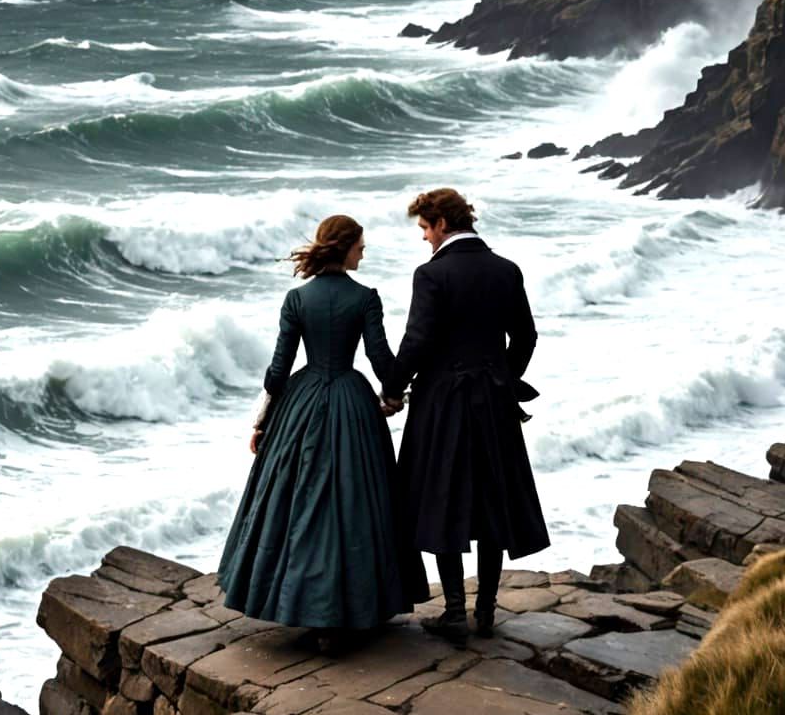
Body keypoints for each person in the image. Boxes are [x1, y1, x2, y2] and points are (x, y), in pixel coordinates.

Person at [217, 214, 427, 643]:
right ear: (345, 246)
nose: (363, 252)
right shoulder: (366, 297)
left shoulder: (296, 299)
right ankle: (353, 607)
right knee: (354, 506)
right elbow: (382, 361)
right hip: (352, 402)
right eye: (360, 246)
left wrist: (263, 421)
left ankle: (302, 605)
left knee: (297, 505)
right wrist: (396, 393)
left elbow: (278, 371)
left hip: (303, 401)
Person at [386, 187, 549, 642]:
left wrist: (392, 389)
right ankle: (487, 611)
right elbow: (526, 337)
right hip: (494, 406)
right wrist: (501, 379)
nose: (423, 238)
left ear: (441, 223)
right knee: (492, 502)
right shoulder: (505, 269)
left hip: (444, 405)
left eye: (424, 227)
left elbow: (416, 342)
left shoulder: (432, 275)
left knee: (444, 501)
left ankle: (455, 611)